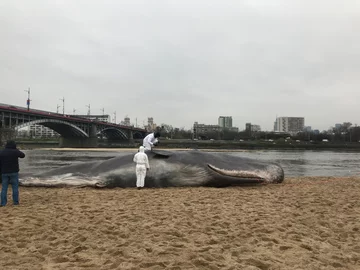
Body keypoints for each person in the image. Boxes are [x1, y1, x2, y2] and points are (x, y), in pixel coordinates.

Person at [0, 140, 25, 207]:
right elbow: (23, 155)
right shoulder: (15, 151)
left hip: (4, 172)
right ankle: (16, 203)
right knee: (15, 188)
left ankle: (3, 203)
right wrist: (16, 149)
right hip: (14, 172)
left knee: (4, 188)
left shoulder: (2, 152)